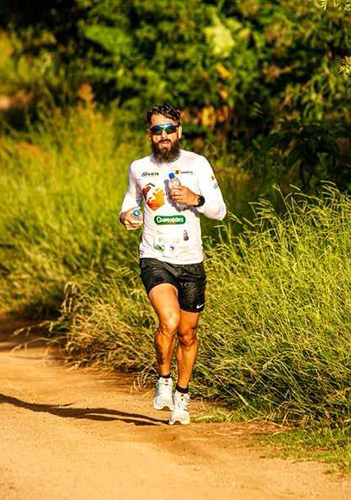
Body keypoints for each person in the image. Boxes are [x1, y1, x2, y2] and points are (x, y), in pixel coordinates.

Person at [119, 103, 226, 425]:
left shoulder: (197, 164)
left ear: (179, 131)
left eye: (169, 129)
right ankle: (163, 378)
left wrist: (196, 200)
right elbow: (129, 204)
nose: (163, 136)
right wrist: (127, 216)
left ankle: (182, 395)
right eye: (157, 130)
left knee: (188, 333)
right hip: (155, 255)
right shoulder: (139, 167)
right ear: (149, 134)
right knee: (169, 319)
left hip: (191, 259)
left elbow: (219, 210)